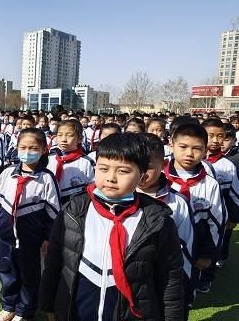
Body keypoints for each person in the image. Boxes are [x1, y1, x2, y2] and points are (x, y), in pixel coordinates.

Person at [40, 132, 184, 321]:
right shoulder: (73, 211)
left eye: (123, 171)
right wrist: (50, 306)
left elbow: (170, 279)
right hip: (77, 311)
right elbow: (54, 262)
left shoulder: (158, 220)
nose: (111, 178)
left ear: (142, 174)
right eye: (103, 168)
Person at [0, 128, 60, 321]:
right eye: (23, 147)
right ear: (16, 147)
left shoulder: (46, 178)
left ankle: (25, 311)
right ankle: (8, 306)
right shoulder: (6, 173)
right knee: (7, 272)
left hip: (32, 240)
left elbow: (53, 211)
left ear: (43, 150)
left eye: (33, 148)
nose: (27, 151)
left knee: (30, 276)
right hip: (6, 238)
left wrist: (48, 237)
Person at [137, 133, 195, 319]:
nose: (141, 173)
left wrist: (183, 284)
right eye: (134, 166)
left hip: (163, 279)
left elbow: (186, 246)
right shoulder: (117, 199)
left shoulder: (177, 202)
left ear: (163, 165)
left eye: (148, 168)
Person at [164, 123, 224, 299]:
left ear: (205, 150)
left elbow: (216, 223)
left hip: (195, 247)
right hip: (160, 243)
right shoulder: (157, 177)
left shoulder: (210, 184)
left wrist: (207, 255)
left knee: (185, 292)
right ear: (171, 144)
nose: (189, 154)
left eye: (197, 148)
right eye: (183, 147)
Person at [198, 118, 239, 292]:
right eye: (210, 135)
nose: (215, 140)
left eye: (220, 136)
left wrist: (234, 217)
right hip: (194, 214)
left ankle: (207, 278)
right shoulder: (190, 160)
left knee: (212, 247)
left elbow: (235, 193)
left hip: (217, 217)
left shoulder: (227, 165)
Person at [47, 120, 94, 204]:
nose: (64, 139)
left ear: (80, 139)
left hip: (74, 207)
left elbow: (92, 188)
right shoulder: (49, 159)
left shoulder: (87, 162)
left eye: (69, 135)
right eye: (60, 135)